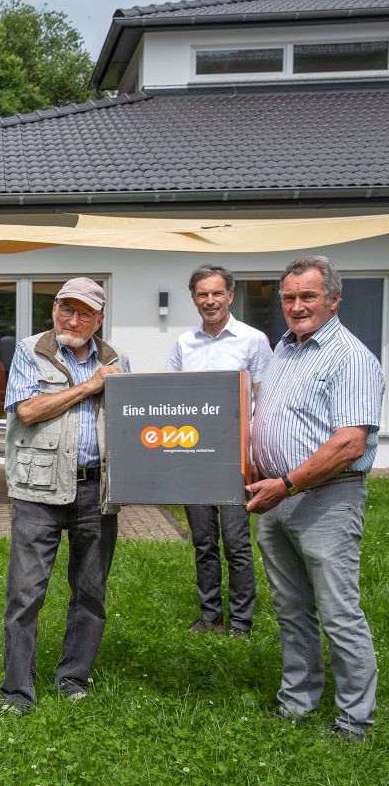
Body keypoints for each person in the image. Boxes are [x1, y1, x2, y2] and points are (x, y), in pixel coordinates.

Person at [245, 256, 384, 743]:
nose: (297, 306)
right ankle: (298, 703)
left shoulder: (352, 358)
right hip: (274, 496)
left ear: (334, 299)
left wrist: (286, 483)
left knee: (339, 611)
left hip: (326, 496)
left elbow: (350, 442)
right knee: (290, 607)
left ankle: (354, 719)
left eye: (308, 296)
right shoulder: (282, 350)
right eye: (289, 297)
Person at [0, 277, 129, 714]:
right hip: (39, 490)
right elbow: (28, 410)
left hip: (96, 491)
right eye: (66, 309)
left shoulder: (116, 360)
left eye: (84, 313)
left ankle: (73, 677)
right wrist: (90, 387)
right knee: (25, 593)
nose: (73, 319)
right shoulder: (29, 350)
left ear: (100, 318)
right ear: (54, 308)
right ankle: (17, 691)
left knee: (91, 591)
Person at [166, 264, 273, 637]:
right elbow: (173, 402)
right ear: (194, 298)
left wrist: (257, 455)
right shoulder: (183, 344)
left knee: (237, 543)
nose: (209, 301)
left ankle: (241, 623)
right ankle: (210, 616)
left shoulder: (253, 340)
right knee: (203, 541)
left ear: (229, 295)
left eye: (216, 293)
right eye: (202, 294)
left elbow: (266, 401)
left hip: (235, 459)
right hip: (194, 457)